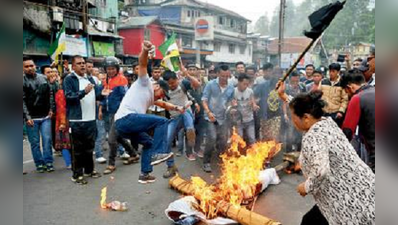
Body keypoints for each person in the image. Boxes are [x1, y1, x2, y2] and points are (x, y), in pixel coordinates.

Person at [277, 84, 375, 225]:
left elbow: (320, 171)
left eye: (293, 117)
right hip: (365, 188)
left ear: (305, 118)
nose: (293, 122)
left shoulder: (314, 136)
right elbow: (301, 107)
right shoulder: (326, 122)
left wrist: (305, 187)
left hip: (348, 198)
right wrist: (284, 96)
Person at [114, 41, 182, 184]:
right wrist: (145, 50)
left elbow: (163, 104)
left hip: (124, 128)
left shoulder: (152, 97)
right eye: (161, 93)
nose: (159, 97)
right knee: (163, 121)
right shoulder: (144, 83)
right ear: (156, 86)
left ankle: (144, 174)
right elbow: (143, 64)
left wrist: (177, 108)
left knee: (149, 143)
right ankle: (158, 153)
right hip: (126, 119)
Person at [63, 55, 103, 185]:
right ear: (73, 66)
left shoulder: (90, 78)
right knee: (78, 150)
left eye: (83, 63)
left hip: (90, 119)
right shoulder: (69, 79)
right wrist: (83, 92)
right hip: (77, 120)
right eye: (79, 63)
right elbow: (69, 97)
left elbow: (95, 95)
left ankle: (89, 171)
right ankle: (77, 175)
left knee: (89, 148)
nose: (82, 65)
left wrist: (103, 94)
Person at [101, 56, 140, 175]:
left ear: (117, 69)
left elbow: (126, 97)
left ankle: (111, 163)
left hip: (118, 113)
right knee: (118, 137)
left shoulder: (122, 79)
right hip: (108, 112)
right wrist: (101, 108)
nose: (110, 71)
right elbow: (104, 97)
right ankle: (133, 154)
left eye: (113, 68)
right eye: (108, 69)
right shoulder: (105, 80)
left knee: (112, 139)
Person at [163, 67, 200, 178]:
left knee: (186, 117)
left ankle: (191, 136)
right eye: (168, 84)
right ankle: (171, 167)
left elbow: (197, 85)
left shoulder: (183, 84)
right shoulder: (162, 89)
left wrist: (187, 75)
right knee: (167, 141)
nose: (171, 86)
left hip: (185, 113)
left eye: (173, 83)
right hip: (174, 118)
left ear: (177, 80)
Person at [23, 57, 55, 173]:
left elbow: (50, 94)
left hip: (45, 117)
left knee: (47, 140)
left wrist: (51, 108)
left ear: (35, 66)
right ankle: (39, 163)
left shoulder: (43, 78)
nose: (30, 68)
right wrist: (27, 117)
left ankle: (49, 162)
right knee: (35, 143)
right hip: (31, 119)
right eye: (26, 66)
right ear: (22, 68)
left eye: (31, 65)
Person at [201, 63, 235, 173]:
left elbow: (230, 100)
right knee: (211, 138)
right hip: (211, 117)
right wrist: (208, 112)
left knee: (223, 140)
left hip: (223, 117)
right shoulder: (210, 85)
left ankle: (222, 159)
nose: (225, 78)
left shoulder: (230, 87)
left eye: (227, 76)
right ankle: (206, 162)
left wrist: (232, 104)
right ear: (217, 74)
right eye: (222, 76)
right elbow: (204, 100)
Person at [341, 70, 375, 172]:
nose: (347, 94)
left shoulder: (357, 98)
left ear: (350, 87)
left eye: (346, 91)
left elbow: (347, 131)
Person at [231, 74, 260, 146]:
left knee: (252, 138)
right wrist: (232, 108)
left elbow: (253, 102)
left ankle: (254, 154)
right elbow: (230, 104)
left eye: (247, 84)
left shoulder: (250, 91)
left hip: (249, 119)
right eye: (244, 84)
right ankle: (239, 155)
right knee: (239, 139)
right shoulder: (233, 91)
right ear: (239, 82)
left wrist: (254, 106)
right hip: (238, 120)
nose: (246, 86)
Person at [283, 71, 307, 152]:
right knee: (289, 134)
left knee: (300, 133)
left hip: (300, 114)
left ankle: (299, 151)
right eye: (293, 81)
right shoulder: (286, 88)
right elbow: (284, 101)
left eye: (297, 81)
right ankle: (288, 151)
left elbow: (305, 99)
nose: (295, 83)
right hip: (290, 114)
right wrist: (285, 114)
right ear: (290, 80)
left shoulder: (302, 86)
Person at [54, 75, 72, 169]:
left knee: (67, 143)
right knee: (65, 143)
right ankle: (69, 163)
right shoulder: (61, 92)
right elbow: (61, 108)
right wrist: (63, 123)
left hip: (68, 118)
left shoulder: (62, 91)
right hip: (64, 120)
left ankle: (70, 163)